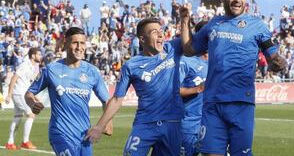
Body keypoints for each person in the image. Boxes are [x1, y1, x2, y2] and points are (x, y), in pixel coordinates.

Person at [180, 0, 287, 155]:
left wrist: (278, 63)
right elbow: (189, 49)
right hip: (213, 103)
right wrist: (184, 20)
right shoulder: (214, 23)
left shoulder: (258, 26)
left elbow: (273, 58)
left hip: (241, 103)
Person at [86, 18, 184, 156]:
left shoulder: (172, 48)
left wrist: (184, 20)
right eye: (155, 32)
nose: (161, 35)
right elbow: (117, 99)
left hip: (172, 123)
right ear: (142, 39)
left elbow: (192, 43)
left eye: (161, 31)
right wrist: (99, 126)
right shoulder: (131, 65)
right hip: (144, 124)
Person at [25, 27, 112, 156]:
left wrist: (108, 121)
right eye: (75, 42)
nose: (79, 47)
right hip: (60, 133)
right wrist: (32, 104)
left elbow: (107, 100)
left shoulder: (92, 72)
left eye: (82, 43)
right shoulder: (51, 69)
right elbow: (29, 93)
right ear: (66, 44)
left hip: (84, 135)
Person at [179, 21, 209, 156]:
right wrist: (197, 89)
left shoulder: (219, 60)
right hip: (189, 126)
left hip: (213, 125)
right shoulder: (186, 61)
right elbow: (172, 90)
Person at [4, 47, 42, 150]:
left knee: (17, 117)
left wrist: (36, 97)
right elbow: (14, 78)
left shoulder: (33, 67)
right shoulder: (25, 65)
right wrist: (9, 94)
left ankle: (10, 143)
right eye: (39, 54)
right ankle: (25, 142)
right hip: (19, 93)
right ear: (33, 55)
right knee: (31, 115)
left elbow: (29, 83)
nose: (40, 56)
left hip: (21, 93)